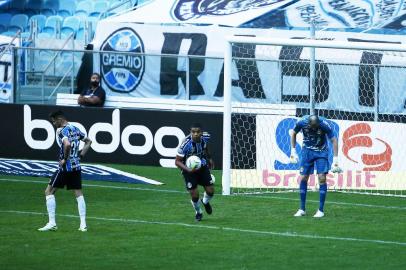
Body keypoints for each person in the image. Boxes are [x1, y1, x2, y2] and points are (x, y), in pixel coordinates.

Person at [38, 110, 92, 232]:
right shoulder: (75, 128)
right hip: (76, 166)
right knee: (78, 193)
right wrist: (80, 156)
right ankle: (83, 224)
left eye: (54, 121)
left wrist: (64, 159)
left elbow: (67, 145)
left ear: (60, 119)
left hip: (65, 167)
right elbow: (88, 141)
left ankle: (52, 223)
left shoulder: (61, 131)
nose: (53, 124)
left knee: (49, 191)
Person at [290, 115, 342, 218]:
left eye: (316, 126)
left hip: (321, 152)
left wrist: (335, 160)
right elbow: (293, 133)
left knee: (322, 178)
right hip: (307, 152)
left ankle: (321, 210)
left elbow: (334, 140)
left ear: (318, 123)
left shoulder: (324, 124)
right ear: (308, 123)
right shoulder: (301, 122)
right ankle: (302, 209)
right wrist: (293, 151)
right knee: (304, 177)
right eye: (312, 127)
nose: (314, 128)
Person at [175, 123, 215, 222]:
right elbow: (177, 161)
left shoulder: (205, 137)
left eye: (198, 132)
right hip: (188, 169)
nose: (195, 134)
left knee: (210, 191)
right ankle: (198, 212)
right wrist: (188, 170)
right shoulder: (185, 144)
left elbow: (206, 147)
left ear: (201, 132)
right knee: (194, 194)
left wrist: (209, 158)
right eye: (193, 132)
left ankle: (205, 202)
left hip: (202, 166)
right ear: (190, 132)